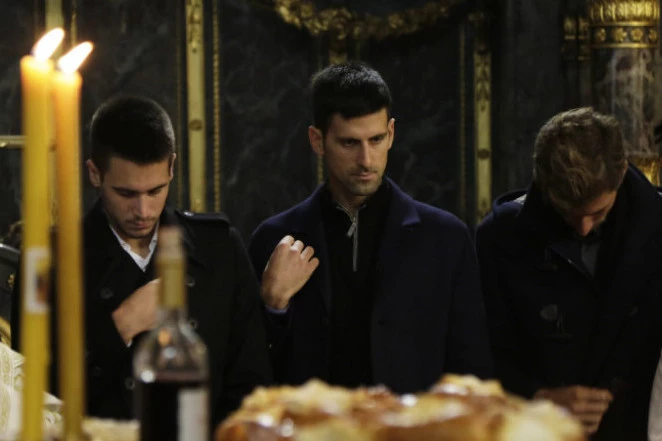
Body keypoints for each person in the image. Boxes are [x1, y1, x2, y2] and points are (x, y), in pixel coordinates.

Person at [11, 96, 272, 426]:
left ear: (172, 167)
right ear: (94, 173)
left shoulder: (219, 249)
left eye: (155, 191)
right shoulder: (47, 261)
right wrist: (121, 325)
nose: (143, 211)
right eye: (126, 194)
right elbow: (32, 397)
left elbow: (250, 385)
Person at [248, 61, 493, 393]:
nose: (366, 160)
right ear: (317, 140)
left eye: (376, 139)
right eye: (349, 143)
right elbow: (250, 374)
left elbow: (473, 372)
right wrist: (273, 304)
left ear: (391, 133)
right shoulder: (273, 239)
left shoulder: (445, 239)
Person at [476, 107, 662, 440]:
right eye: (569, 213)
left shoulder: (656, 227)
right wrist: (537, 396)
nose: (584, 228)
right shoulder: (500, 238)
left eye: (598, 212)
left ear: (621, 171)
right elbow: (480, 351)